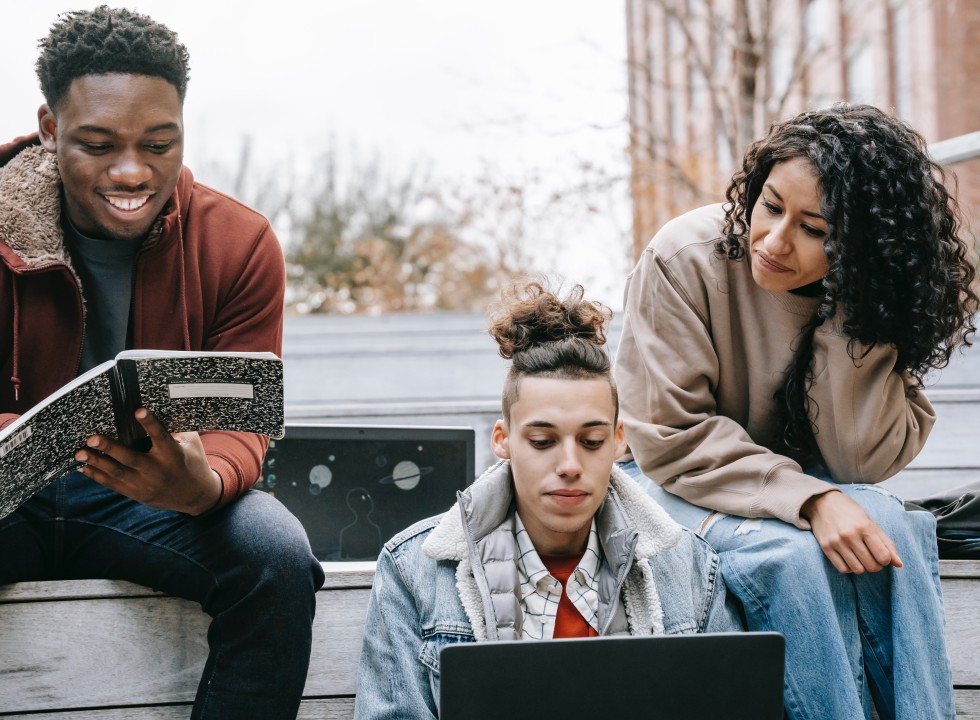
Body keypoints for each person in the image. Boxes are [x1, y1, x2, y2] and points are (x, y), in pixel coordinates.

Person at [0, 7, 324, 718]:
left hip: (151, 498)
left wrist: (202, 488)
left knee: (275, 554)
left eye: (158, 143)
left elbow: (243, 414)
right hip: (8, 503)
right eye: (96, 143)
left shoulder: (238, 243)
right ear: (51, 130)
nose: (131, 171)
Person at [615, 102, 978, 720]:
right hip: (673, 482)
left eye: (816, 229)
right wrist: (810, 499)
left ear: (862, 246)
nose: (775, 242)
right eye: (771, 205)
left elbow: (858, 459)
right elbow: (671, 437)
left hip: (801, 486)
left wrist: (849, 316)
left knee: (896, 529)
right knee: (797, 558)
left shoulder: (867, 294)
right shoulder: (684, 258)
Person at [353, 280, 738, 720]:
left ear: (618, 442)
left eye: (591, 441)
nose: (570, 464)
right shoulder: (414, 570)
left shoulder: (689, 566)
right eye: (542, 441)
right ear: (503, 441)